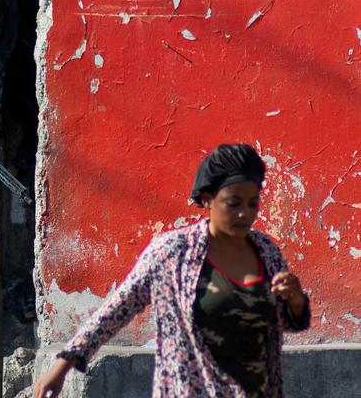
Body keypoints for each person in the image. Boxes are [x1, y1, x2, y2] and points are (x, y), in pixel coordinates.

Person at [33, 143, 310, 398]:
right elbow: (117, 309)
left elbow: (275, 323)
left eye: (253, 203)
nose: (244, 214)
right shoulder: (172, 253)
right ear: (208, 199)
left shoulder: (266, 251)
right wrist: (63, 363)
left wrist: (296, 302)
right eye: (233, 203)